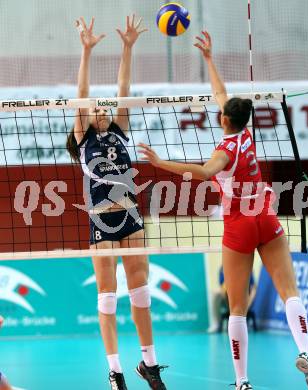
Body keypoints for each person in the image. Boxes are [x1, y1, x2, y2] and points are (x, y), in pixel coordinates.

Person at [139, 31, 308, 390]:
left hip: (238, 224)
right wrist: (210, 60)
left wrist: (161, 162)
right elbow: (223, 97)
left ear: (224, 119)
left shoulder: (224, 150)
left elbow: (204, 172)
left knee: (236, 307)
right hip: (266, 218)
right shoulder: (246, 135)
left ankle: (242, 382)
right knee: (291, 292)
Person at [66, 16, 167, 390]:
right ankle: (115, 370)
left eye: (105, 106)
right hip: (102, 222)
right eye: (95, 108)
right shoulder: (84, 137)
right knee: (107, 297)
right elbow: (81, 93)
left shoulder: (119, 128)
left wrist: (127, 47)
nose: (102, 108)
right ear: (88, 116)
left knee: (141, 291)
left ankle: (149, 364)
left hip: (132, 218)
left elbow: (124, 87)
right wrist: (87, 50)